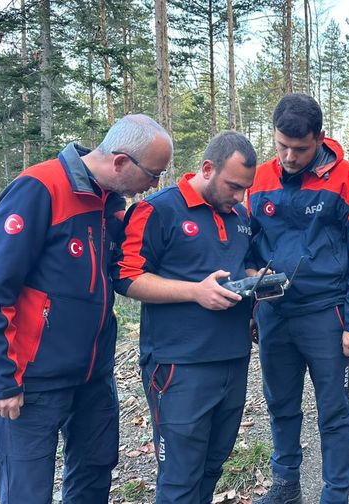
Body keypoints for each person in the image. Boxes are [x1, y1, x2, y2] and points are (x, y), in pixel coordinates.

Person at [0, 114, 173, 504]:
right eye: (152, 174)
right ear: (120, 161)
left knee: (94, 474)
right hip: (34, 381)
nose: (154, 185)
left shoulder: (109, 203)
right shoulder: (39, 189)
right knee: (27, 492)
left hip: (94, 375)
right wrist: (0, 376)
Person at [248, 94, 349, 504]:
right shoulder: (259, 178)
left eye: (300, 148)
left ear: (319, 138)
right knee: (281, 404)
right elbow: (247, 243)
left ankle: (335, 495)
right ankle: (286, 485)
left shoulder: (346, 179)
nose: (289, 156)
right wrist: (253, 295)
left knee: (334, 413)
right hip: (274, 312)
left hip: (325, 315)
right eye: (281, 145)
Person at [113, 131, 259, 504]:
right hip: (179, 366)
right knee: (180, 478)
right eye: (233, 186)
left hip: (233, 358)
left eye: (246, 188)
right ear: (208, 169)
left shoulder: (241, 216)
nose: (240, 196)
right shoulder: (158, 210)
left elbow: (240, 264)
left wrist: (256, 280)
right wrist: (196, 291)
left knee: (213, 464)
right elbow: (127, 277)